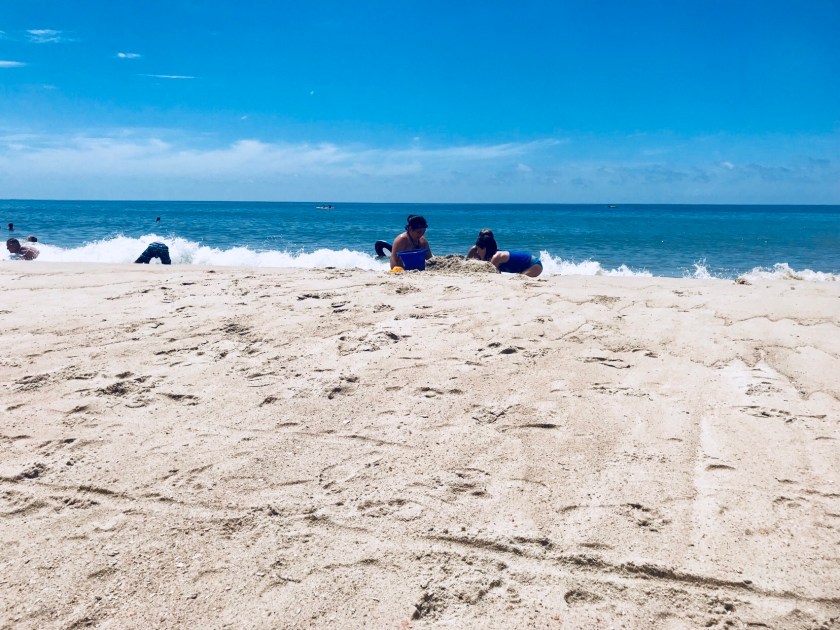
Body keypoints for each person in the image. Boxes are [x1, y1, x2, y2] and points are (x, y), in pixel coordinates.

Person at [466, 229, 542, 277]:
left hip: (534, 265)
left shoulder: (496, 257)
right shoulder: (492, 254)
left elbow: (491, 273)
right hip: (528, 266)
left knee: (519, 278)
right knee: (518, 277)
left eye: (478, 249)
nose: (477, 252)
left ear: (484, 249)